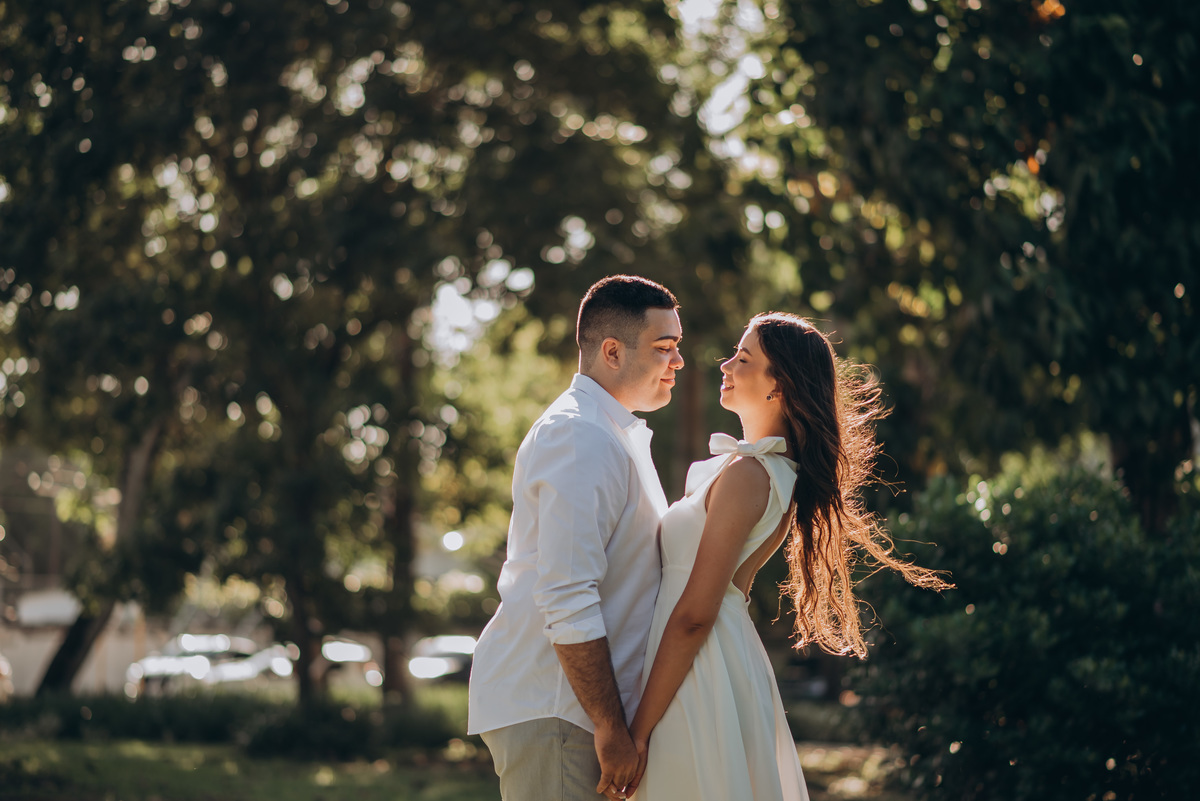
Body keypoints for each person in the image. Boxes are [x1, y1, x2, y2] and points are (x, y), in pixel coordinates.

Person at [628, 312, 949, 800]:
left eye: (743, 358)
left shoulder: (750, 474)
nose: (725, 365)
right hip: (705, 656)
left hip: (699, 664)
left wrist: (637, 731)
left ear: (778, 384)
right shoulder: (761, 470)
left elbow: (695, 614)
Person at [468, 275, 684, 801]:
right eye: (664, 347)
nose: (678, 361)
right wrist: (609, 725)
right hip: (560, 712)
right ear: (612, 352)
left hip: (577, 713)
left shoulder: (611, 433)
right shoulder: (580, 434)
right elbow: (566, 592)